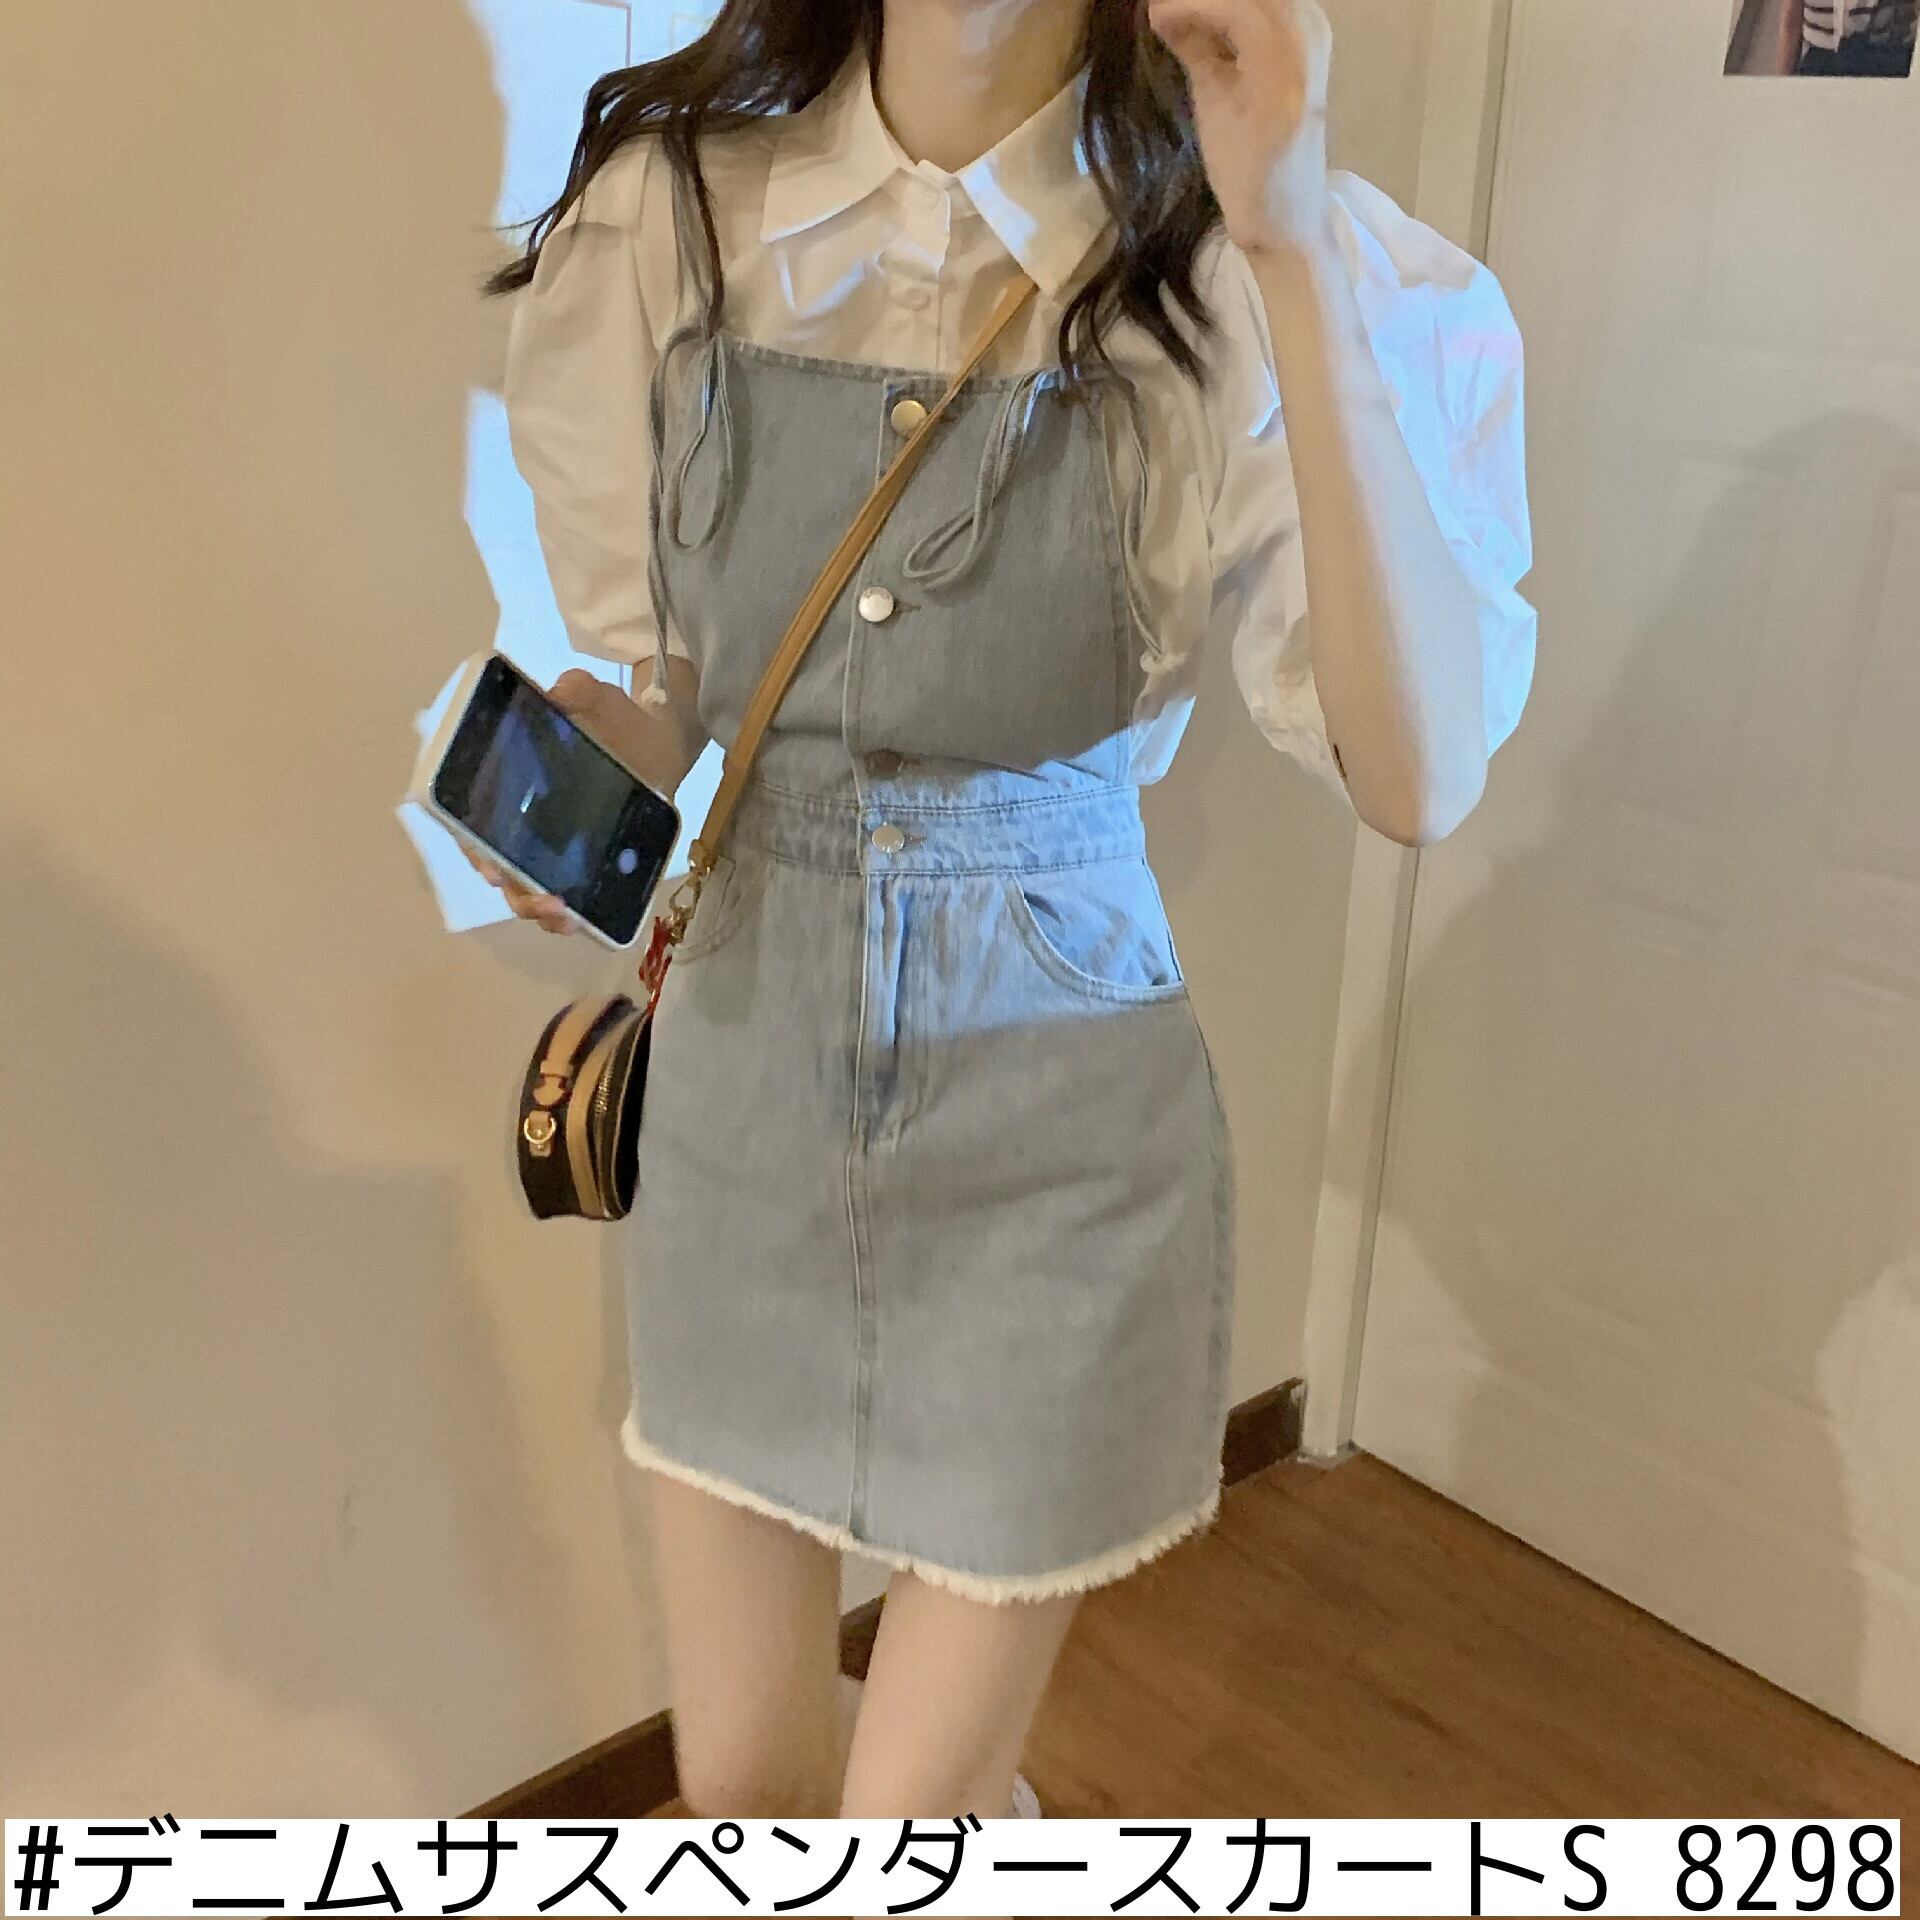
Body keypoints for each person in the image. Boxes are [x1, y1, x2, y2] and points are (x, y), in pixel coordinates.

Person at [468, 0, 1536, 1842]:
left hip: (1055, 1122)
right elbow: (677, 687)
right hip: (743, 1090)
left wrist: (1287, 242)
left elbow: (1416, 773)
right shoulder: (678, 210)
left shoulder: (1250, 251)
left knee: (914, 1821)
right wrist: (599, 757)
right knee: (742, 1793)